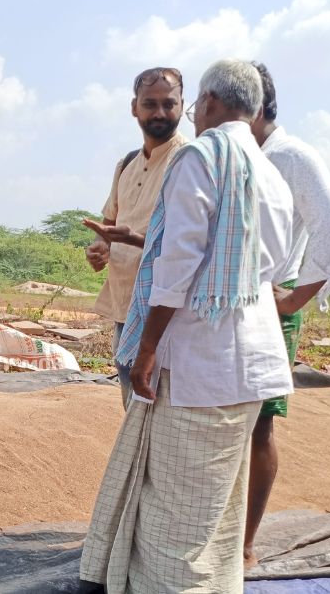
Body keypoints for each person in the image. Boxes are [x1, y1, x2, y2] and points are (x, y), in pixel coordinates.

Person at [78, 59, 295, 593]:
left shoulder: (201, 157)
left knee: (176, 515)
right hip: (252, 360)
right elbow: (279, 263)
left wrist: (147, 347)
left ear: (212, 104)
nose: (185, 115)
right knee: (216, 510)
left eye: (188, 104)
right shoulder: (265, 170)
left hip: (200, 361)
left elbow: (178, 263)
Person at [243, 62, 330, 568]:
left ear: (256, 107)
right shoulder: (239, 154)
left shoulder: (291, 157)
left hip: (268, 306)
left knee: (259, 427)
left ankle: (243, 544)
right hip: (230, 307)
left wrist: (291, 299)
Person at [85, 67, 188, 408]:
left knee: (160, 413)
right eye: (150, 103)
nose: (159, 112)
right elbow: (109, 223)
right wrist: (102, 248)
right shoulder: (126, 163)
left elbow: (188, 245)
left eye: (168, 104)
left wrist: (132, 238)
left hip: (164, 312)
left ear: (182, 105)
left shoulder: (188, 161)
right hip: (123, 307)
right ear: (134, 108)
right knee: (133, 410)